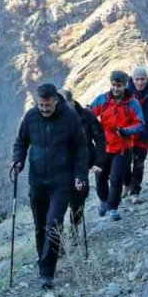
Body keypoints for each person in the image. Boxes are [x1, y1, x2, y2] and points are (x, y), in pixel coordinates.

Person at [11, 84, 89, 289]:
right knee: (40, 226)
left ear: (55, 100)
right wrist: (18, 160)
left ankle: (47, 272)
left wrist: (81, 174)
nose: (44, 108)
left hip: (61, 180)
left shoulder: (70, 117)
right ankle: (42, 260)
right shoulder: (30, 117)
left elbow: (81, 146)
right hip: (37, 180)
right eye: (40, 104)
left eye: (47, 104)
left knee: (54, 223)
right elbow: (21, 142)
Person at [89, 71, 146, 221]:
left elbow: (140, 124)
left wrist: (126, 131)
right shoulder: (102, 100)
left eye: (119, 86)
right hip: (103, 147)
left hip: (123, 148)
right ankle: (103, 201)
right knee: (100, 177)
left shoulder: (132, 103)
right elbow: (89, 115)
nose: (115, 88)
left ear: (125, 85)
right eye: (113, 85)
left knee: (116, 178)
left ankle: (113, 207)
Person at [62, 88, 107, 243]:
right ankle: (58, 237)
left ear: (71, 101)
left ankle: (74, 226)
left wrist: (99, 161)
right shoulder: (55, 117)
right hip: (61, 164)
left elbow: (100, 138)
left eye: (63, 103)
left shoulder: (86, 115)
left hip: (83, 161)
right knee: (60, 199)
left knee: (79, 196)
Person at [127, 67, 148, 197]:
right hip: (129, 134)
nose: (140, 82)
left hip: (147, 133)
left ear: (147, 79)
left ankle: (140, 189)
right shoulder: (126, 93)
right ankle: (129, 185)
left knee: (142, 162)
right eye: (137, 79)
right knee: (126, 164)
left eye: (142, 79)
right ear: (132, 79)